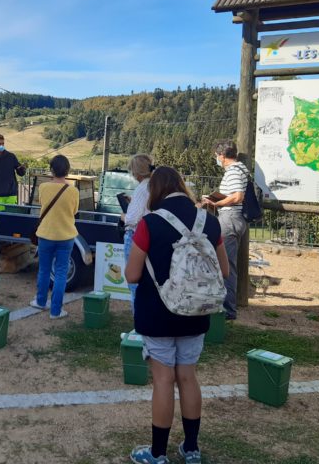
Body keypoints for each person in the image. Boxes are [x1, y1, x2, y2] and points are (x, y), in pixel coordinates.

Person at [125, 167, 229, 464]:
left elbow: (132, 275)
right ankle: (191, 449)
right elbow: (223, 271)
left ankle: (158, 454)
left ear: (155, 190)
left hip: (157, 313)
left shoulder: (149, 223)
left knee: (162, 379)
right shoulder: (210, 221)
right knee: (188, 376)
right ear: (182, 187)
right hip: (197, 312)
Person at [201, 139, 248, 321]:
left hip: (229, 219)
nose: (216, 159)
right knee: (226, 262)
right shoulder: (240, 169)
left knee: (226, 264)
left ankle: (228, 309)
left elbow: (237, 196)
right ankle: (224, 304)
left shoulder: (234, 171)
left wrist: (216, 202)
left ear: (222, 155)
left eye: (216, 156)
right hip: (233, 218)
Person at [29, 154, 79, 319]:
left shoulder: (43, 187)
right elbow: (74, 212)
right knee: (61, 272)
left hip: (46, 234)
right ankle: (56, 311)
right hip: (66, 236)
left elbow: (42, 204)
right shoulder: (73, 191)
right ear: (67, 170)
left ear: (51, 170)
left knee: (44, 269)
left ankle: (40, 301)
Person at [120, 154, 154, 310]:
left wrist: (124, 217)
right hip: (149, 235)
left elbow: (132, 219)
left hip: (134, 236)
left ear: (136, 172)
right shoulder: (154, 186)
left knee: (133, 283)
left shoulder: (142, 188)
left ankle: (138, 324)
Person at [0, 133, 26, 210]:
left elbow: (20, 173)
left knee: (11, 217)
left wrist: (23, 169)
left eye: (3, 143)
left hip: (11, 194)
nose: (1, 146)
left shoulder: (11, 156)